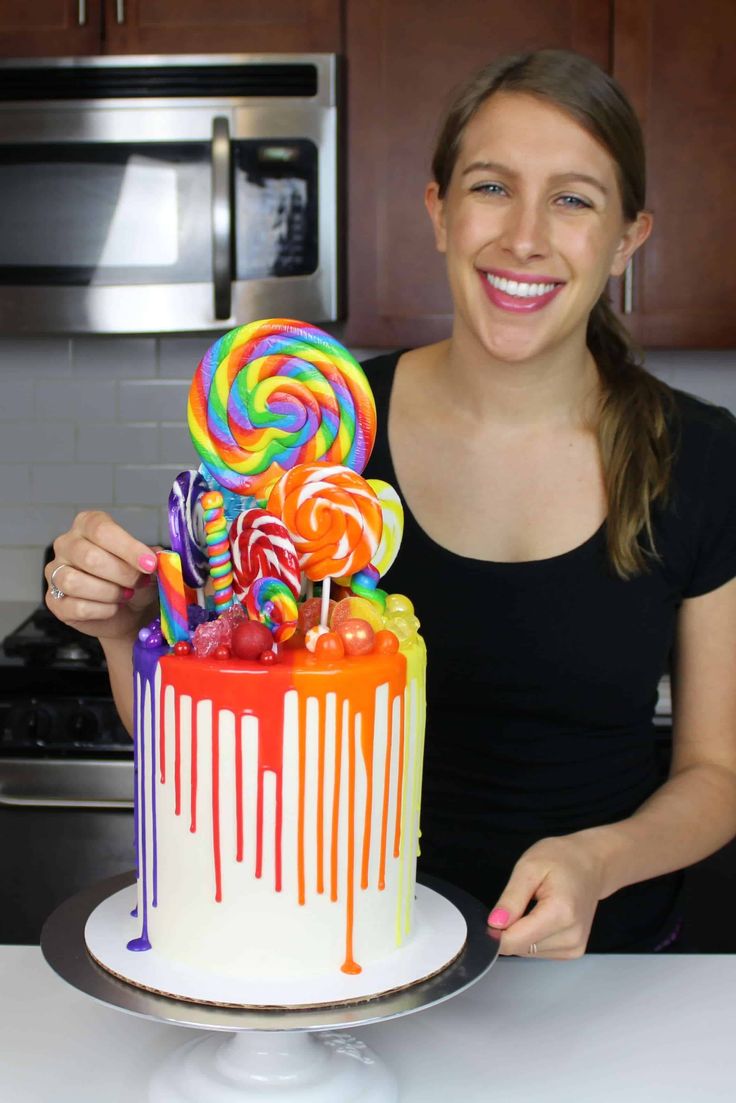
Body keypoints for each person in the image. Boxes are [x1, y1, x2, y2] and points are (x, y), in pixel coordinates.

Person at [45, 49, 736, 958]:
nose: (525, 236)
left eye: (573, 198)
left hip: (603, 967)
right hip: (348, 957)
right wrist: (126, 634)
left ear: (627, 239)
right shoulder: (316, 431)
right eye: (492, 187)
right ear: (438, 210)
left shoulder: (700, 455)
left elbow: (716, 771)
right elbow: (209, 740)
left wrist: (600, 861)